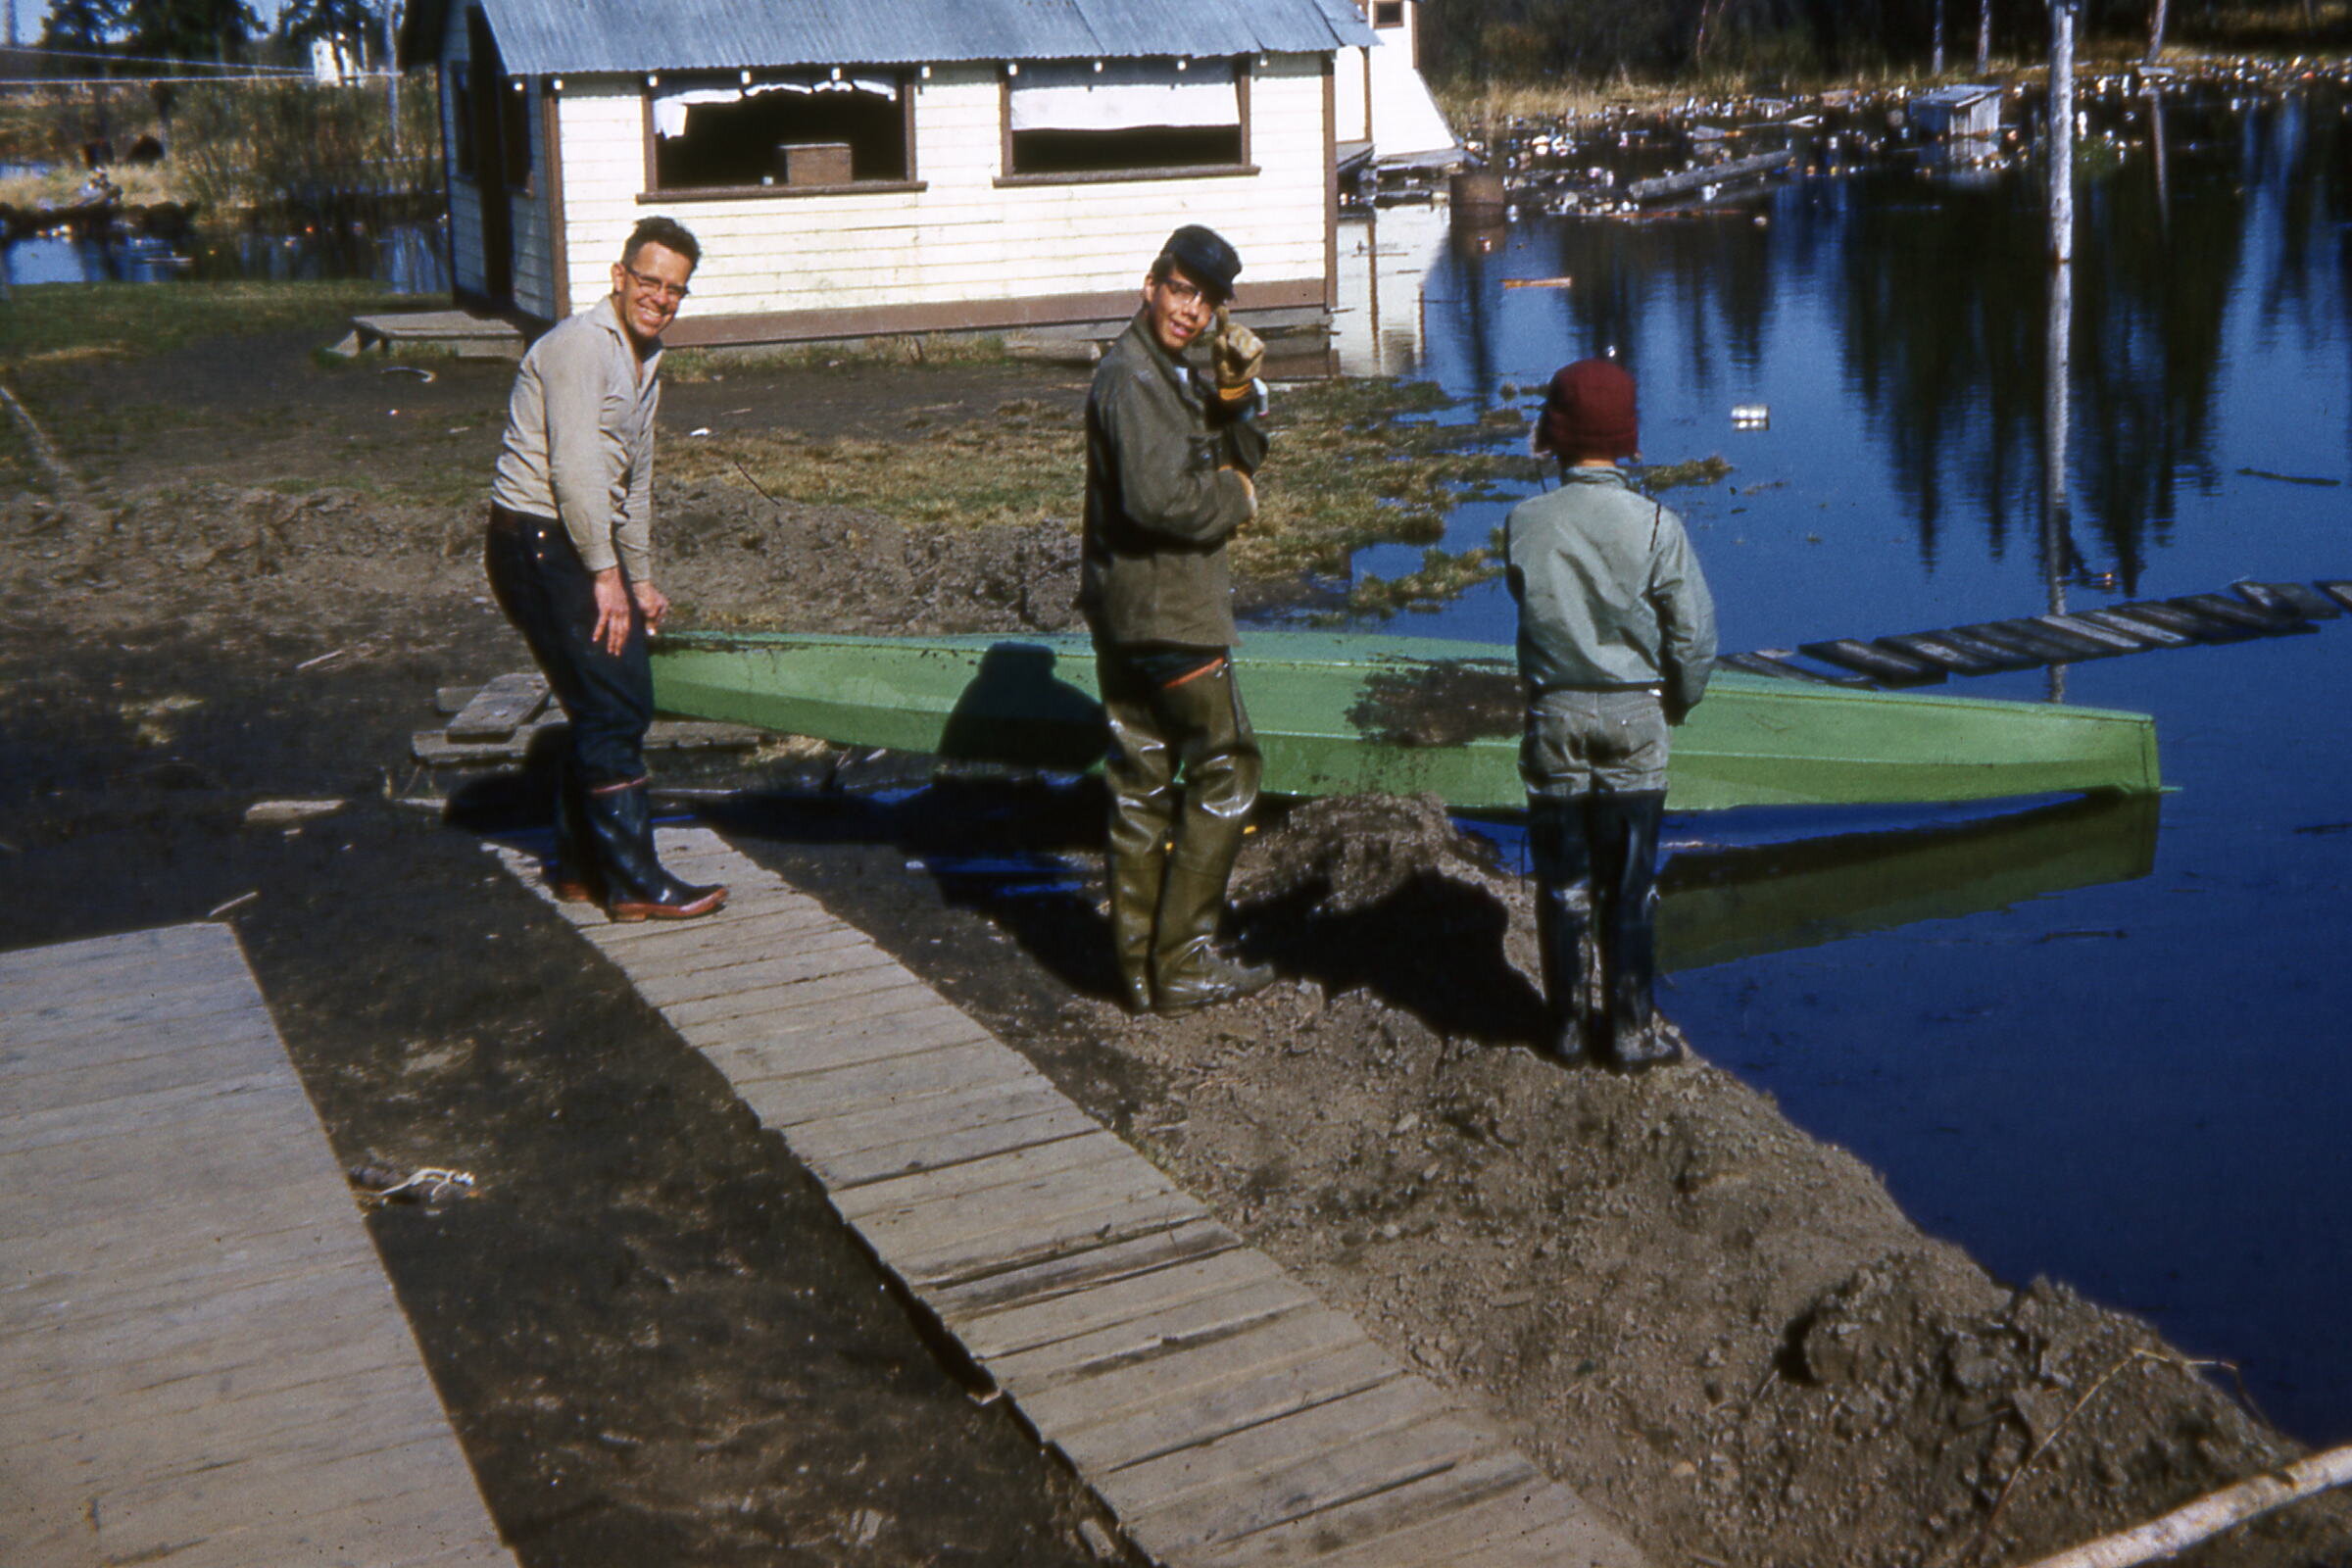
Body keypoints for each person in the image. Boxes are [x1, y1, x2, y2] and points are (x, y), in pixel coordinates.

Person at [482, 216, 727, 922]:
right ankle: (634, 883)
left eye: (675, 288)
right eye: (648, 280)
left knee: (604, 701)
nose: (660, 297)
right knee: (617, 700)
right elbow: (578, 470)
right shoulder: (581, 348)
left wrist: (641, 576)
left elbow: (635, 480)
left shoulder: (642, 358)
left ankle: (580, 868)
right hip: (538, 540)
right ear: (619, 277)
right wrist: (603, 572)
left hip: (570, 538)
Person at [1082, 224, 1276, 1014]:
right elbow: (1161, 500)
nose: (1191, 312)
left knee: (1139, 786)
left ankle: (1139, 971)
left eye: (1207, 302)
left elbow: (1246, 449)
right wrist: (1237, 501)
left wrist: (1234, 396)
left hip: (1127, 616)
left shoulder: (1165, 374)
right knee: (1228, 771)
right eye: (1182, 291)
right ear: (1152, 284)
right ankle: (1186, 956)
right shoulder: (1134, 379)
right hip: (1174, 617)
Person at [1504, 359, 1716, 1070]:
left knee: (1563, 886)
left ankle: (1563, 1029)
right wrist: (1678, 704)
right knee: (1630, 887)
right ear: (1628, 441)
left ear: (1553, 436)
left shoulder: (1524, 523)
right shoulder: (1659, 526)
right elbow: (1694, 640)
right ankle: (1629, 1032)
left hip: (1554, 718)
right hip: (1635, 721)